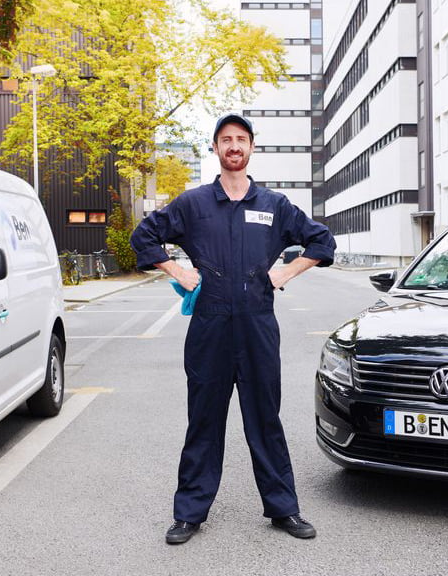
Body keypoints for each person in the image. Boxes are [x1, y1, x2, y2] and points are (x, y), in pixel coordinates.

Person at [130, 113, 336, 545]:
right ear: (216, 149)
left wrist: (283, 274)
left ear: (251, 147)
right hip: (210, 329)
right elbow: (144, 237)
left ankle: (284, 509)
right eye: (226, 140)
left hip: (258, 327)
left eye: (241, 139)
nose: (234, 146)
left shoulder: (274, 205)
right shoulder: (194, 204)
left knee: (265, 420)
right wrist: (178, 272)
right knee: (203, 421)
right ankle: (189, 513)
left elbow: (322, 242)